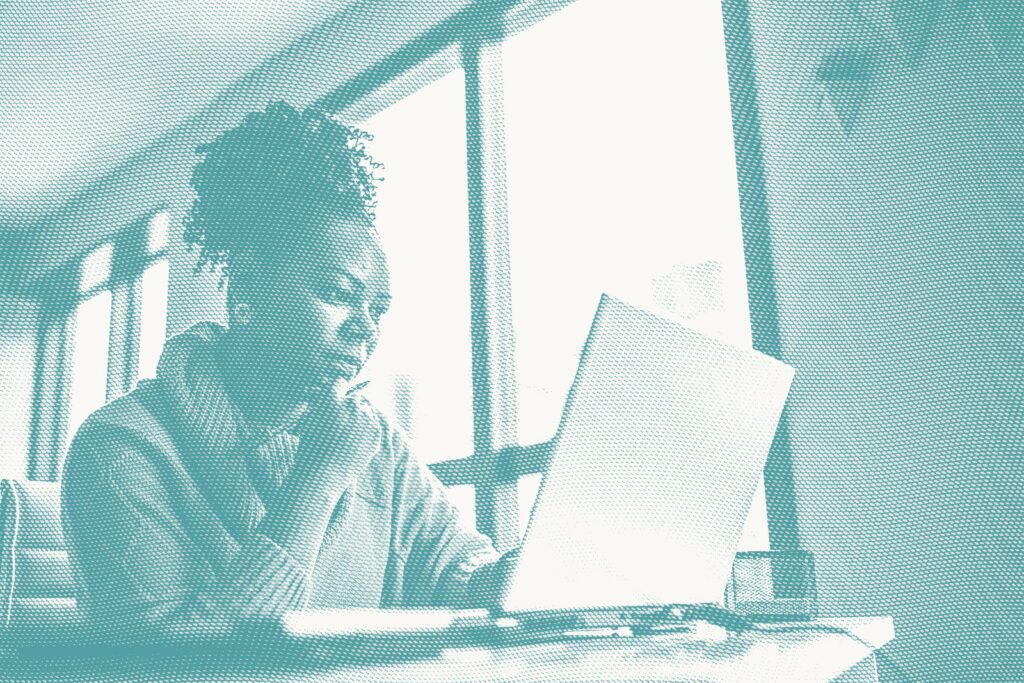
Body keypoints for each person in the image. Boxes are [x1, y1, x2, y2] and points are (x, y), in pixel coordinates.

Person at [61, 102, 512, 640]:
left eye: (378, 309)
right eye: (338, 295)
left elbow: (453, 570)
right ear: (249, 289)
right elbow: (170, 664)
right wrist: (319, 477)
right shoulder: (121, 447)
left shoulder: (376, 443)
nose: (365, 328)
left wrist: (520, 576)